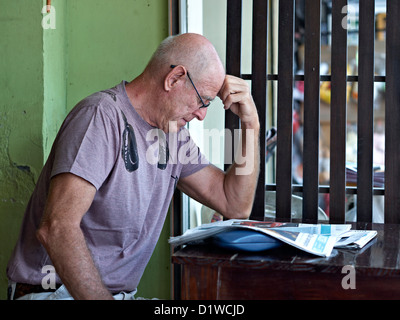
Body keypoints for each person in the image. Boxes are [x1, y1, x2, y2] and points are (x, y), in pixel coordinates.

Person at [6, 33, 260, 300]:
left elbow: (234, 203)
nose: (201, 114)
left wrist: (251, 124)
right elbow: (57, 228)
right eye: (202, 101)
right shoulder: (100, 118)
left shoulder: (173, 135)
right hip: (53, 293)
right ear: (174, 78)